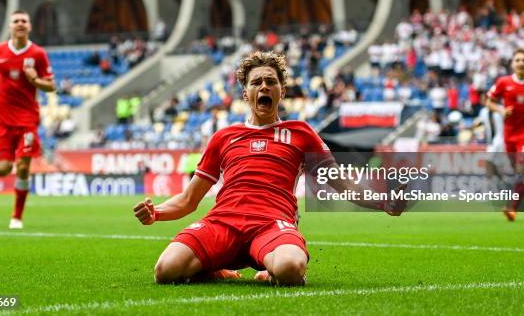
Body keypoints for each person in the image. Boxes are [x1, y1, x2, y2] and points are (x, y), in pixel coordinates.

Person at [133, 52, 402, 286]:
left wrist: (383, 202)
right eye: (257, 82)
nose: (264, 87)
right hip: (223, 221)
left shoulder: (301, 132)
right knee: (165, 271)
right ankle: (221, 270)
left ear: (281, 92)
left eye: (271, 82)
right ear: (245, 93)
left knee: (289, 270)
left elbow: (341, 183)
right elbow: (189, 200)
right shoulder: (224, 136)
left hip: (271, 223)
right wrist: (156, 213)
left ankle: (268, 270)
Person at [0, 10, 55, 229]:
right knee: (1, 169)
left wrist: (35, 80)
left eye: (24, 21)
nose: (20, 24)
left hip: (27, 118)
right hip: (2, 119)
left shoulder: (38, 53)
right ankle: (9, 162)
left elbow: (51, 85)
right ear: (10, 26)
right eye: (16, 21)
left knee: (24, 167)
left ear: (29, 26)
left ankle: (17, 216)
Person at [487, 48, 524, 221]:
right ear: (513, 64)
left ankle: (512, 208)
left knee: (521, 169)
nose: (521, 63)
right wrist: (501, 109)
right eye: (518, 60)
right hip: (510, 134)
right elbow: (489, 101)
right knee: (519, 170)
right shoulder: (503, 82)